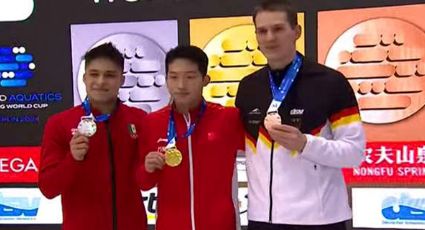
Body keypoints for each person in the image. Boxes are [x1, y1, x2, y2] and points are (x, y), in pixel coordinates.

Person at [235, 0, 366, 229]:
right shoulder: (248, 87)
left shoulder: (330, 82)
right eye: (262, 31)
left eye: (278, 29)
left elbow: (354, 153)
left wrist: (305, 143)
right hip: (261, 218)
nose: (269, 37)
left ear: (296, 31)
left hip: (318, 219)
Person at [38, 43, 147, 230]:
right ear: (84, 78)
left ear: (122, 80)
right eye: (94, 74)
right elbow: (48, 188)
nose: (101, 81)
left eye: (110, 75)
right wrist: (72, 159)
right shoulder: (60, 123)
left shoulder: (139, 119)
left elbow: (146, 180)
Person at [138, 45, 244, 230]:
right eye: (173, 77)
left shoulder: (228, 118)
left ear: (205, 80)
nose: (181, 85)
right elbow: (144, 183)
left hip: (220, 224)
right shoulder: (151, 122)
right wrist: (147, 168)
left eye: (190, 77)